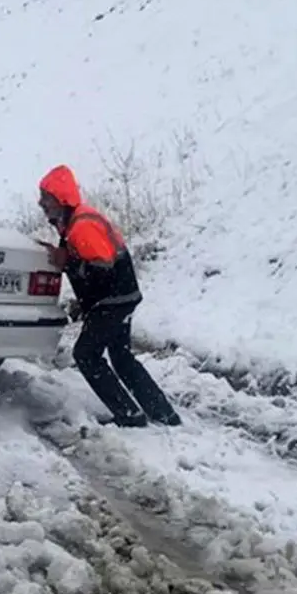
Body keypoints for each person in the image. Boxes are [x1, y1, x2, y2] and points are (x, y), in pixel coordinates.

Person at [37, 164, 182, 428]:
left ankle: (129, 415)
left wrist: (66, 261)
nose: (41, 203)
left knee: (86, 355)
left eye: (45, 197)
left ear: (61, 198)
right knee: (121, 356)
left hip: (113, 301)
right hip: (122, 297)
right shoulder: (72, 222)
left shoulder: (81, 226)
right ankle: (162, 414)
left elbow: (102, 270)